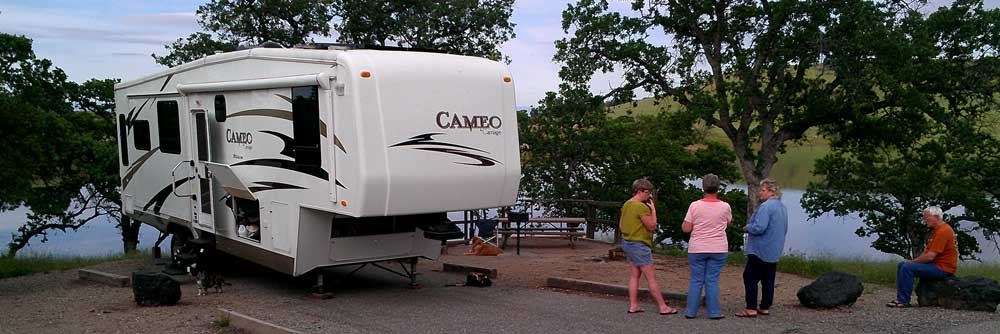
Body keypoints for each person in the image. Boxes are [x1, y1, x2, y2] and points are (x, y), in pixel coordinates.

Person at [619, 178, 678, 315]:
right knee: (651, 277)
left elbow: (621, 225)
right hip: (639, 245)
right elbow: (651, 226)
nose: (649, 195)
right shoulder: (640, 207)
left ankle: (633, 305)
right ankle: (663, 306)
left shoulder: (627, 204)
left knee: (634, 275)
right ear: (639, 191)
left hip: (627, 242)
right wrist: (653, 211)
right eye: (647, 192)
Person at [682, 174, 732, 319]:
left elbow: (686, 228)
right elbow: (728, 222)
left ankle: (691, 311)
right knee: (712, 280)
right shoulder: (725, 206)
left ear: (703, 187)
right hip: (718, 248)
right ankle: (714, 312)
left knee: (696, 280)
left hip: (697, 247)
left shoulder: (695, 205)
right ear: (718, 187)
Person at [886, 206, 958, 308]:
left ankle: (903, 301)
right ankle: (900, 298)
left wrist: (913, 262)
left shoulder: (943, 231)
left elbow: (930, 257)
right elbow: (926, 252)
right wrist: (913, 261)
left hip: (943, 268)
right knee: (902, 265)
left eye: (927, 218)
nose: (925, 221)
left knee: (907, 268)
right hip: (936, 265)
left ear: (937, 217)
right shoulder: (937, 230)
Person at [737, 178, 788, 318]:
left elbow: (760, 227)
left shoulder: (766, 207)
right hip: (774, 249)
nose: (760, 193)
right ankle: (765, 307)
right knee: (768, 280)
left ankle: (751, 308)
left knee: (750, 277)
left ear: (772, 191)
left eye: (763, 190)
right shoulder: (782, 207)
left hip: (760, 249)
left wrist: (748, 228)